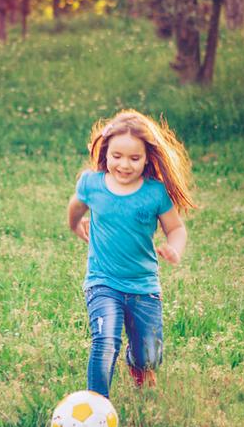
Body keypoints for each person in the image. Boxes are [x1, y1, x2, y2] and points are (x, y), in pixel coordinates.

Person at [66, 110, 196, 398]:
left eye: (134, 159)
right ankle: (96, 403)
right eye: (117, 156)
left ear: (148, 157)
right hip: (102, 281)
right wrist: (75, 223)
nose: (124, 165)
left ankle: (138, 365)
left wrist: (174, 248)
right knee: (105, 340)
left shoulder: (155, 193)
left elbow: (176, 229)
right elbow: (75, 206)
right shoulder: (92, 184)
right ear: (106, 152)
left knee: (149, 354)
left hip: (143, 286)